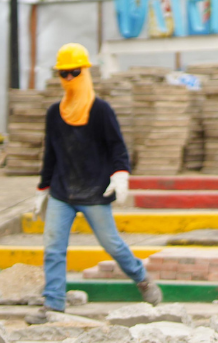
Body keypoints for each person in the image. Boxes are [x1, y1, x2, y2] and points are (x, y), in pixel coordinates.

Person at [27, 43, 162, 325]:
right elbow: (50, 153)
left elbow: (117, 146)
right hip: (63, 191)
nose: (68, 79)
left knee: (112, 244)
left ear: (84, 72)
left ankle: (142, 279)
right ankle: (53, 304)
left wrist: (120, 173)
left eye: (73, 73)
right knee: (53, 247)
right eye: (63, 74)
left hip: (95, 191)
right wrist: (42, 189)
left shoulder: (100, 110)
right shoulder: (55, 113)